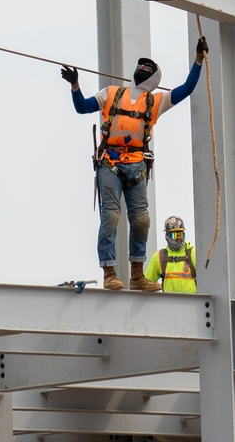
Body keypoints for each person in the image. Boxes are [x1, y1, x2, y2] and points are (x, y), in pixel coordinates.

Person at [61, 39, 208, 291]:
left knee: (141, 220)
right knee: (112, 215)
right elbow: (82, 107)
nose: (144, 69)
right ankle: (109, 272)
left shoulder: (156, 102)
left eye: (149, 68)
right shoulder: (111, 94)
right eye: (143, 66)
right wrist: (75, 86)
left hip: (137, 164)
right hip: (110, 162)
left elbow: (187, 88)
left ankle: (137, 275)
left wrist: (198, 60)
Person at [143, 215, 197, 293]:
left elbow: (207, 280)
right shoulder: (159, 257)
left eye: (180, 234)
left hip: (192, 303)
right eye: (175, 235)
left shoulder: (193, 253)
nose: (179, 238)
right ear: (167, 236)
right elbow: (146, 284)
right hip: (168, 303)